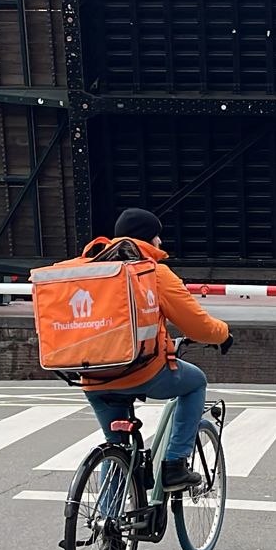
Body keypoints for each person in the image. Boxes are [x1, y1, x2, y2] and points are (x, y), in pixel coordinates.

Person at [81, 207, 233, 493]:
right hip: (141, 371)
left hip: (92, 376)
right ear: (146, 240)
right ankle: (175, 464)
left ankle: (107, 522)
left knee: (116, 448)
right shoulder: (152, 273)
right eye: (156, 236)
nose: (160, 243)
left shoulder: (90, 270)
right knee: (195, 382)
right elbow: (196, 324)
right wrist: (222, 335)